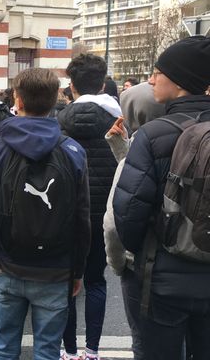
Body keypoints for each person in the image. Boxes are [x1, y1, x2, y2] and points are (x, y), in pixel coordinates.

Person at [0, 68, 91, 360]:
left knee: (5, 349)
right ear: (55, 100)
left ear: (16, 100)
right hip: (56, 269)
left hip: (6, 266)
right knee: (47, 351)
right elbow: (83, 218)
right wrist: (77, 270)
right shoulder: (73, 151)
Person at [113, 36, 210, 360]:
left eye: (158, 72)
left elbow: (127, 217)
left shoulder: (154, 135)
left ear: (181, 80)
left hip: (163, 280)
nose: (151, 79)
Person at [58, 54, 121, 360]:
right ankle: (92, 351)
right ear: (102, 83)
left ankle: (68, 351)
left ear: (71, 85)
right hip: (103, 216)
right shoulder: (117, 121)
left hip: (67, 217)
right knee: (97, 282)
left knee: (68, 285)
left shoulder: (59, 122)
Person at [102, 83, 165, 360]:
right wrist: (122, 148)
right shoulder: (188, 136)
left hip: (140, 265)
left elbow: (114, 223)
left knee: (144, 341)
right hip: (183, 258)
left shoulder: (142, 149)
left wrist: (117, 264)